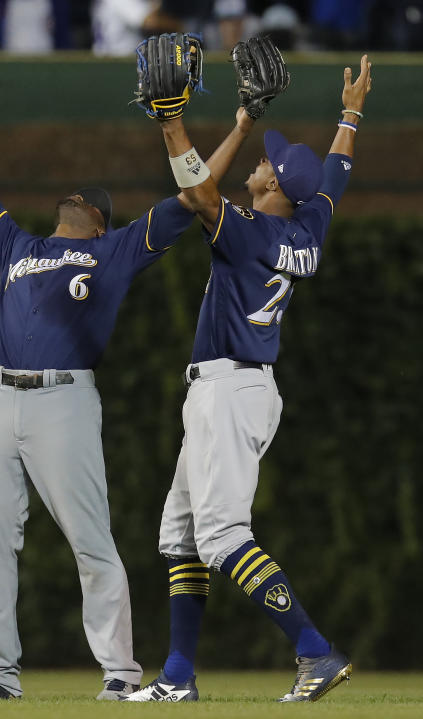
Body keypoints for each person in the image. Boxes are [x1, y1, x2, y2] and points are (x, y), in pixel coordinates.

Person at [0, 52, 257, 701]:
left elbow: (193, 197)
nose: (74, 196)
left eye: (86, 199)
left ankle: (119, 672)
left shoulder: (113, 251)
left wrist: (240, 127)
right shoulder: (18, 247)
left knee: (90, 539)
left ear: (98, 218)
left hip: (64, 399)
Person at [124, 54, 372, 703]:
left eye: (268, 161)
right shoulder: (303, 227)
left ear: (273, 190)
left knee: (222, 536)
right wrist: (350, 113)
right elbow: (334, 178)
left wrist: (172, 125)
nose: (261, 162)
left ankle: (313, 649)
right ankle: (177, 676)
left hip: (228, 390)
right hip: (235, 387)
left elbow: (198, 193)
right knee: (179, 534)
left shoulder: (251, 234)